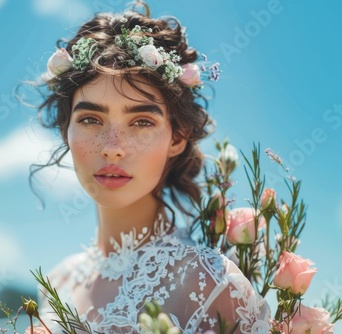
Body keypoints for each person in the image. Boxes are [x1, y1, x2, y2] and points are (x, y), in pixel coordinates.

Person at [27, 3, 271, 333]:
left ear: (178, 136)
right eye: (90, 119)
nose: (112, 147)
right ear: (65, 131)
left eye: (141, 121)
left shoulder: (209, 283)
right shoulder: (56, 283)